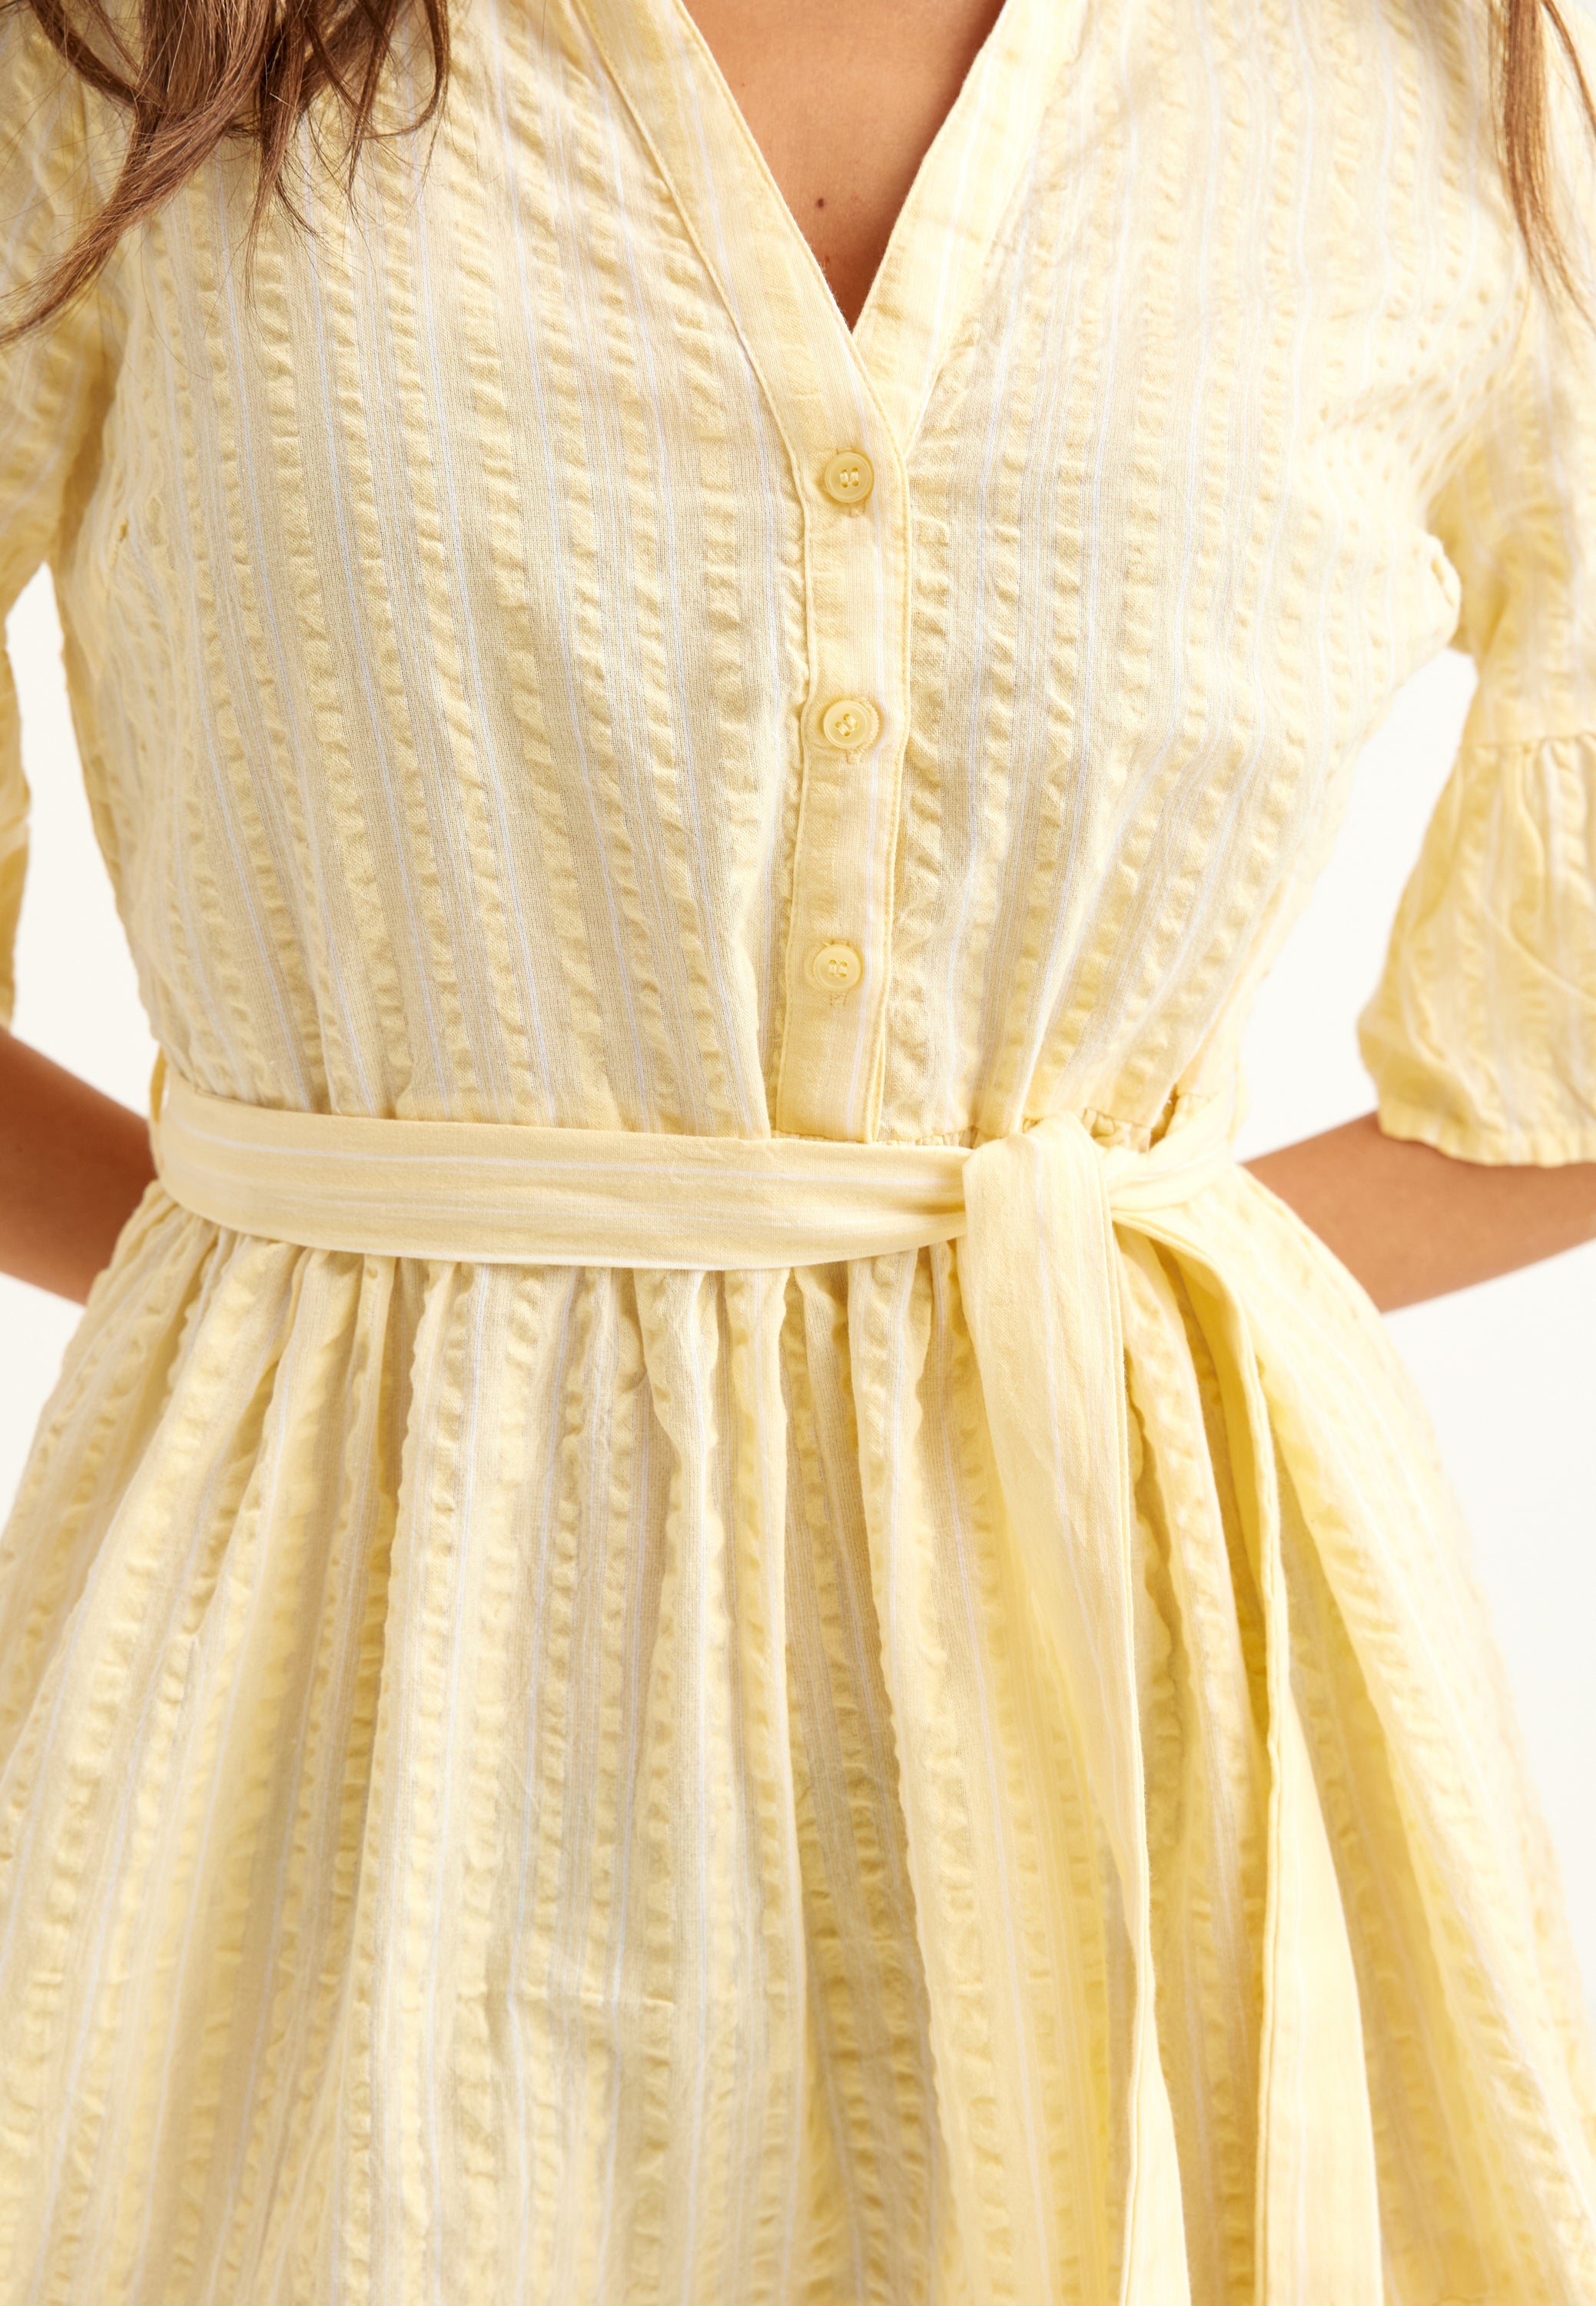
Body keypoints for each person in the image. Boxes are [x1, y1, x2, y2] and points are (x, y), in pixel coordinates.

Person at [2, 0, 1594, 2292]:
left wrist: (1123, 1298)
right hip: (324, 1667)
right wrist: (300, 1275)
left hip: (1122, 1656)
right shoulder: (126, 53)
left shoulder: (1426, 77)